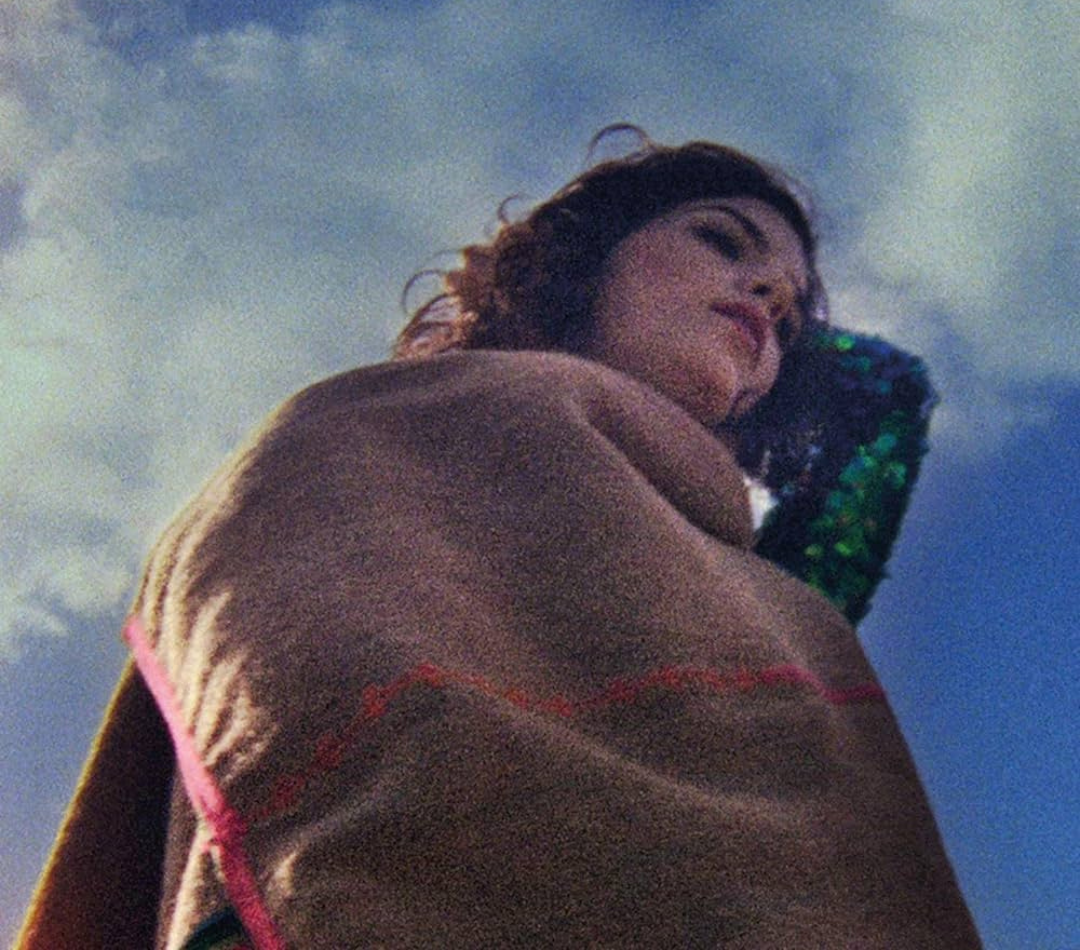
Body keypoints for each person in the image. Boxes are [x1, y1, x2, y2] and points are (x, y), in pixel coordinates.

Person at [17, 127, 981, 948]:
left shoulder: (767, 591)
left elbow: (892, 397)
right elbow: (284, 705)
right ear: (584, 259)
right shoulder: (371, 425)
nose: (768, 295)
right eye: (720, 240)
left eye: (791, 314)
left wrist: (790, 370)